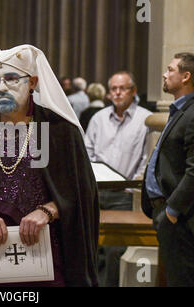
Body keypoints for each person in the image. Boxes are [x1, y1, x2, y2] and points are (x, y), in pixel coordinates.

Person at [0, 45, 99, 287]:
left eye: (11, 78)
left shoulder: (61, 132)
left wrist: (48, 210)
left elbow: (83, 193)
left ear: (33, 82)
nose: (2, 87)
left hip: (50, 262)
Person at [142, 52, 194, 287]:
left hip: (181, 217)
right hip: (169, 213)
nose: (165, 74)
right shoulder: (183, 111)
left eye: (170, 69)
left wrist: (172, 211)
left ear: (186, 77)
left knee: (183, 281)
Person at [84, 71, 152, 287]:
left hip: (123, 195)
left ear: (133, 91)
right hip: (96, 192)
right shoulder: (98, 118)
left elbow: (146, 159)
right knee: (91, 246)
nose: (117, 93)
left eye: (122, 88)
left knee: (115, 251)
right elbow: (88, 152)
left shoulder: (145, 119)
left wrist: (132, 188)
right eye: (113, 88)